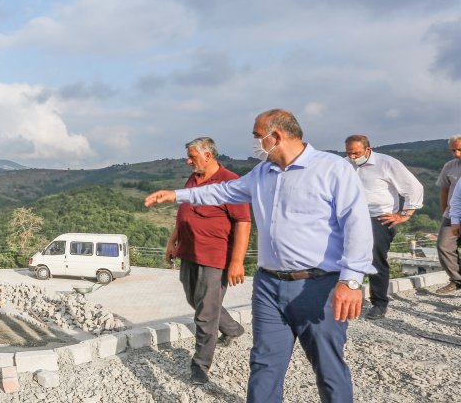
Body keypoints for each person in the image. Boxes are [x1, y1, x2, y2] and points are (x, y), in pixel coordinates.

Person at [145, 109, 375, 403]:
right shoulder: (263, 172)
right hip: (268, 286)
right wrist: (177, 195)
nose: (255, 142)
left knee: (328, 368)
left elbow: (357, 225)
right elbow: (224, 192)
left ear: (275, 136)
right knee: (264, 364)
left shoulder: (331, 169)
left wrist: (352, 282)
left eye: (257, 136)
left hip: (317, 286)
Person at [166, 137, 251, 385]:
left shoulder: (230, 181)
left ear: (208, 155)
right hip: (189, 253)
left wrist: (237, 261)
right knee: (196, 300)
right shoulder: (193, 178)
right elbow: (183, 214)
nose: (187, 160)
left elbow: (243, 223)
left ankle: (200, 366)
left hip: (214, 257)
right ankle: (233, 329)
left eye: (192, 156)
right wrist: (172, 242)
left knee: (205, 314)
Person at [345, 134, 423, 319]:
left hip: (379, 219)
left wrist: (405, 214)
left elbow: (414, 188)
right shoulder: (345, 164)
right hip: (351, 217)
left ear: (368, 150)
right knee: (344, 258)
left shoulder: (387, 163)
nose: (353, 157)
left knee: (375, 260)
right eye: (349, 154)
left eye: (356, 153)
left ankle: (379, 303)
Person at [435, 135, 461, 294]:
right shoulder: (449, 166)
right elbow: (444, 191)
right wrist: (444, 211)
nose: (456, 153)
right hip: (452, 214)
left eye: (459, 149)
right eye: (453, 150)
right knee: (443, 246)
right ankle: (457, 280)